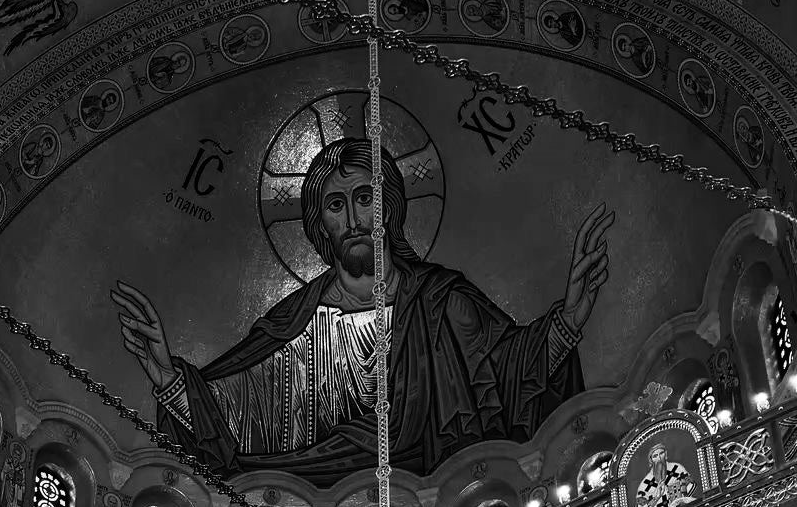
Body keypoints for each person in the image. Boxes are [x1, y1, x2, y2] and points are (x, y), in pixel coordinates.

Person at [112, 138, 613, 487]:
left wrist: (567, 320)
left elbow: (510, 374)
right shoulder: (295, 326)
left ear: (389, 207)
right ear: (318, 223)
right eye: (335, 204)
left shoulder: (440, 300)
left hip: (443, 506)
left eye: (364, 197)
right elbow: (227, 424)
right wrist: (168, 378)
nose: (353, 220)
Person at [634, 443, 697, 507]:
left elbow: (692, 484)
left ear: (665, 454)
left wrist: (681, 497)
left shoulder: (676, 468)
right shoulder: (645, 483)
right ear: (651, 460)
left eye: (661, 453)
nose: (659, 458)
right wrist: (655, 499)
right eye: (655, 456)